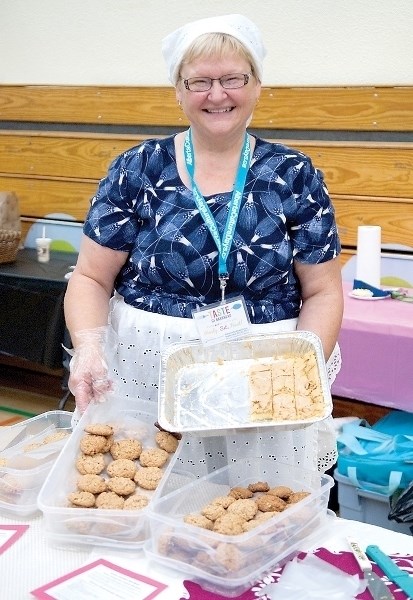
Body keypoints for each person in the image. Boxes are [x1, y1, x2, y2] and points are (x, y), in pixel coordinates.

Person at [64, 13, 344, 472]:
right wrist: (89, 349)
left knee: (258, 507)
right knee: (143, 500)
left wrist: (295, 375)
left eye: (233, 78)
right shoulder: (139, 168)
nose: (217, 94)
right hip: (146, 372)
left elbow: (324, 291)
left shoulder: (294, 175)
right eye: (199, 82)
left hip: (263, 376)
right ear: (178, 91)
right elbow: (92, 277)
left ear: (257, 85)